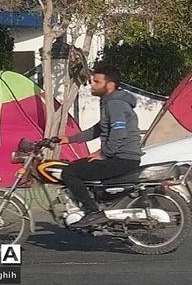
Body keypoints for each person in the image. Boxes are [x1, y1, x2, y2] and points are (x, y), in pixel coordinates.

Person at [60, 62, 142, 227]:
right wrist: (70, 139)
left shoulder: (115, 104)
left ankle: (92, 212)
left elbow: (119, 132)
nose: (92, 84)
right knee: (77, 167)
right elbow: (99, 129)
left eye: (97, 82)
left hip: (122, 158)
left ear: (110, 85)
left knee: (69, 172)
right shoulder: (109, 102)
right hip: (119, 156)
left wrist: (103, 153)